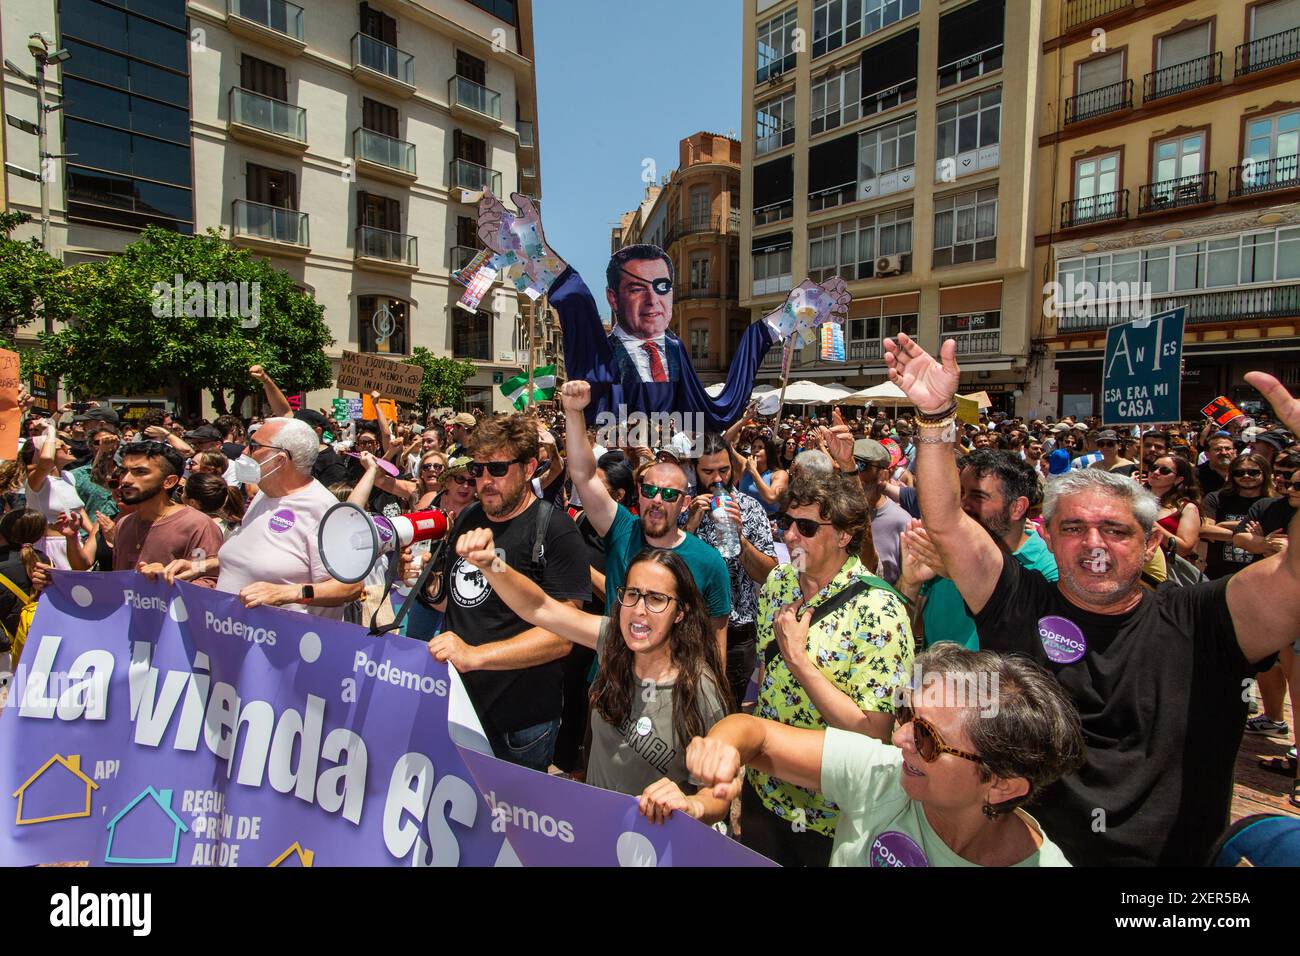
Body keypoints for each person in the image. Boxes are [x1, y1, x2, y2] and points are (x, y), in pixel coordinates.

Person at [884, 330, 1300, 865]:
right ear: (1049, 537)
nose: (1094, 544)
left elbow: (1291, 578)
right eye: (1075, 528)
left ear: (1152, 543)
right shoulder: (1019, 601)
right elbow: (944, 519)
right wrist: (938, 418)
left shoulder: (1206, 620)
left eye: (1116, 531)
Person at [475, 190, 848, 432]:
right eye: (637, 288)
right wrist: (532, 250)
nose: (654, 300)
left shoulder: (673, 351)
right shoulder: (602, 355)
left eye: (663, 287)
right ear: (614, 298)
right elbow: (577, 302)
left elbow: (716, 413)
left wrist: (789, 317)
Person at [687, 644, 1085, 866]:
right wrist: (722, 748)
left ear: (1001, 785)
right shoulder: (883, 774)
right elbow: (756, 734)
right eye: (905, 715)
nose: (899, 740)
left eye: (926, 738)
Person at [452, 527, 732, 823]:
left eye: (656, 599)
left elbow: (718, 797)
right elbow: (539, 606)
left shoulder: (700, 690)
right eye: (633, 594)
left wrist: (689, 805)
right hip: (596, 831)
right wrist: (490, 563)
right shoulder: (614, 641)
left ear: (680, 612)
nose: (639, 610)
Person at [746, 470, 913, 867]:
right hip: (763, 788)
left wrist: (800, 661)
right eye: (787, 523)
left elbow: (873, 733)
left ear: (843, 535)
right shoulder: (779, 583)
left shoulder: (880, 611)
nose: (789, 537)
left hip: (830, 815)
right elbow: (763, 675)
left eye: (806, 527)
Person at [419, 414, 591, 771]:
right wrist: (425, 582)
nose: (484, 481)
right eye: (478, 469)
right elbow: (455, 603)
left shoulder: (556, 532)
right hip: (457, 707)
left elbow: (563, 638)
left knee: (512, 823)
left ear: (529, 467)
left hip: (520, 724)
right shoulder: (469, 517)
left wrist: (475, 656)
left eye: (497, 469)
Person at [560, 380, 732, 661]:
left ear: (685, 503)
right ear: (639, 493)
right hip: (612, 688)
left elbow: (715, 646)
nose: (657, 499)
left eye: (668, 494)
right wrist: (574, 412)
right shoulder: (621, 530)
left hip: (674, 696)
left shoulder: (709, 562)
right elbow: (584, 476)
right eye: (649, 490)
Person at [195, 417, 365, 616]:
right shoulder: (263, 495)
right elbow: (248, 561)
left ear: (281, 459)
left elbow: (350, 587)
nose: (244, 452)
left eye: (254, 446)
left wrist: (289, 593)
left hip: (287, 641)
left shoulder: (323, 509)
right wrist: (198, 567)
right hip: (238, 634)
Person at [899, 450, 1057, 651]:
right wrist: (910, 584)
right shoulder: (941, 550)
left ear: (1017, 508)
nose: (963, 504)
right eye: (961, 493)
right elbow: (904, 632)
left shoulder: (1049, 569)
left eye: (978, 496)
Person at [682, 432, 778, 709]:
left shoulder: (749, 508)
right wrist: (689, 528)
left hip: (738, 635)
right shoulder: (681, 507)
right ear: (694, 469)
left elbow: (769, 575)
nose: (717, 479)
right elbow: (663, 569)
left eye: (723, 470)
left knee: (729, 712)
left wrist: (741, 540)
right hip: (687, 630)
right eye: (708, 471)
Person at [111, 442, 223, 586]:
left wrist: (165, 581)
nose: (126, 480)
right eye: (124, 471)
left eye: (140, 472)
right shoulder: (123, 524)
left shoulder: (197, 525)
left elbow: (208, 583)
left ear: (169, 482)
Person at [1200, 453, 1273, 581]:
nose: (1246, 476)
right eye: (1239, 473)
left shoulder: (1274, 503)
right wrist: (1248, 537)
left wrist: (1223, 526)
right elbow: (1205, 530)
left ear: (1265, 473)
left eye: (1253, 472)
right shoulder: (1216, 498)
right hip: (1218, 576)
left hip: (1262, 576)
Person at [1147, 454, 1202, 560]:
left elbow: (1184, 548)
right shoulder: (1134, 499)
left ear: (1178, 479)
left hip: (1166, 570)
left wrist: (1151, 524)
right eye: (1153, 468)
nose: (1156, 472)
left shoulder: (1187, 508)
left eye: (1165, 471)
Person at [182, 472, 245, 542]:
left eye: (183, 491)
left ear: (193, 502)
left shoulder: (195, 529)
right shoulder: (231, 526)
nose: (181, 495)